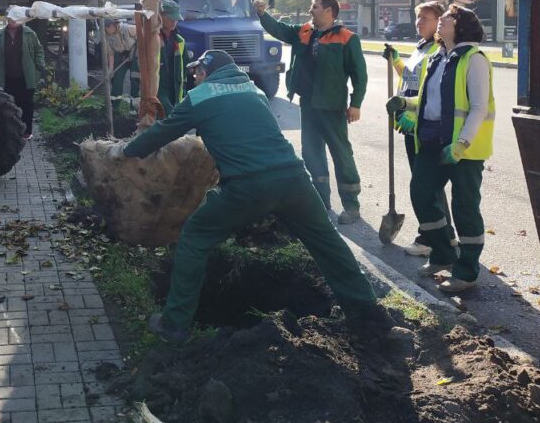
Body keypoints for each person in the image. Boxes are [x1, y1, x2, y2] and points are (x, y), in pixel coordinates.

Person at [116, 50, 388, 342]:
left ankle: (175, 324)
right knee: (329, 244)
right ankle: (368, 314)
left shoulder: (199, 97)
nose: (194, 76)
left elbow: (162, 133)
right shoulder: (254, 89)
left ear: (207, 72)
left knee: (195, 235)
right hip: (295, 180)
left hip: (247, 188)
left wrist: (125, 151)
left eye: (197, 72)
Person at [386, 4, 495, 293]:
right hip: (431, 141)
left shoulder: (474, 59)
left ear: (459, 26)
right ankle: (442, 254)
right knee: (421, 193)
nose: (438, 24)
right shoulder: (437, 57)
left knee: (464, 208)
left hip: (464, 150)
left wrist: (461, 144)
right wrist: (405, 104)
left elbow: (479, 108)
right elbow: (426, 99)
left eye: (444, 19)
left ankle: (467, 272)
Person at [254, 0, 368, 224]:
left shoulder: (347, 38)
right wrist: (262, 14)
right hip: (308, 103)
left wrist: (355, 104)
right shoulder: (304, 32)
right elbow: (279, 29)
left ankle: (351, 206)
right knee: (312, 153)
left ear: (328, 11)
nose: (310, 9)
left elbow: (360, 75)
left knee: (341, 153)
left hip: (332, 106)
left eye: (314, 6)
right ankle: (320, 200)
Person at [382, 1, 456, 257]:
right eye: (417, 17)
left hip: (423, 124)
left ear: (439, 21)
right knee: (429, 184)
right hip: (410, 122)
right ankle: (447, 235)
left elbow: (431, 91)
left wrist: (415, 115)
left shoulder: (438, 49)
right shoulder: (422, 48)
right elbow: (411, 80)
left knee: (425, 185)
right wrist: (396, 62)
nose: (419, 22)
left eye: (425, 17)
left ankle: (428, 238)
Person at [0, 16, 46, 140]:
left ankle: (26, 132)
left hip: (26, 76)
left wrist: (40, 66)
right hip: (8, 77)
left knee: (27, 104)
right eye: (10, 18)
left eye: (16, 18)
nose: (13, 21)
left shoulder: (29, 33)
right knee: (9, 105)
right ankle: (12, 132)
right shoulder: (0, 35)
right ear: (7, 19)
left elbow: (38, 50)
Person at [157, 0, 187, 115]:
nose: (175, 22)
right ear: (161, 16)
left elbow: (183, 69)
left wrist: (183, 90)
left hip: (174, 88)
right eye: (171, 18)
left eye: (176, 19)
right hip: (159, 87)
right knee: (169, 115)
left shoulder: (180, 41)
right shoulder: (152, 39)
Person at [105, 19, 139, 98]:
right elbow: (110, 53)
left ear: (112, 26)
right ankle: (115, 104)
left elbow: (142, 36)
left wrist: (134, 52)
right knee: (117, 79)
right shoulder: (107, 37)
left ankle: (135, 104)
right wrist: (110, 69)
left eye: (105, 29)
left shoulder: (128, 29)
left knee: (135, 78)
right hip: (121, 56)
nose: (104, 31)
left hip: (135, 55)